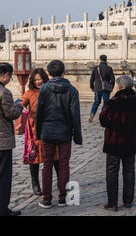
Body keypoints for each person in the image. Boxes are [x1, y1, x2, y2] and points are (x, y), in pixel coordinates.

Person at [35, 60, 82, 209]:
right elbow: (75, 115)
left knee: (47, 165)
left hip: (47, 131)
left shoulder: (44, 89)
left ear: (48, 74)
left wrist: (38, 132)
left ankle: (47, 199)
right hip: (65, 132)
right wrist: (77, 136)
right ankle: (62, 198)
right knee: (64, 165)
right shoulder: (72, 90)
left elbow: (39, 113)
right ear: (64, 72)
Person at [100, 75, 136, 212]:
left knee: (112, 171)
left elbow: (103, 120)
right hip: (130, 141)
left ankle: (113, 203)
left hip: (114, 142)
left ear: (119, 86)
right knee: (129, 170)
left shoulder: (113, 102)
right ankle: (128, 201)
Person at [22, 68, 59, 196]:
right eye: (35, 79)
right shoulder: (29, 93)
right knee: (34, 158)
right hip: (33, 131)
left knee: (55, 156)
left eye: (40, 79)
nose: (38, 82)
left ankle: (61, 181)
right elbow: (22, 103)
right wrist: (21, 107)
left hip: (49, 128)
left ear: (44, 79)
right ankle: (35, 183)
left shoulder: (50, 90)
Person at [0, 63, 24, 216]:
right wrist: (19, 106)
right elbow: (11, 114)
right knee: (3, 178)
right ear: (6, 75)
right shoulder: (4, 92)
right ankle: (2, 210)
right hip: (2, 142)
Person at [89, 55, 115, 123]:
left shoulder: (95, 68)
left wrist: (92, 87)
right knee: (105, 103)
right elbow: (113, 79)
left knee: (96, 102)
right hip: (106, 88)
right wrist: (111, 87)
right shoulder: (109, 68)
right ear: (106, 60)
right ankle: (102, 116)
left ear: (100, 60)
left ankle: (92, 114)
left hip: (97, 88)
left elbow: (92, 79)